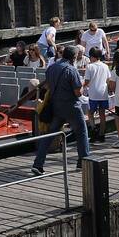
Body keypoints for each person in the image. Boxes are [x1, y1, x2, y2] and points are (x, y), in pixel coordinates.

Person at [32, 46, 91, 175]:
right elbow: (77, 93)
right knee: (81, 131)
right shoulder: (72, 70)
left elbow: (48, 85)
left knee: (50, 134)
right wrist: (82, 87)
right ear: (74, 57)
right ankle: (83, 162)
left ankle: (38, 164)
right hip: (71, 107)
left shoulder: (51, 68)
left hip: (56, 106)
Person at [83, 47, 112, 141]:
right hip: (103, 93)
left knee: (90, 112)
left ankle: (94, 129)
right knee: (102, 114)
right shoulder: (105, 66)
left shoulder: (90, 66)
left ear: (92, 56)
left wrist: (82, 86)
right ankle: (102, 134)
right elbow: (108, 79)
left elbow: (86, 81)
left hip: (93, 93)